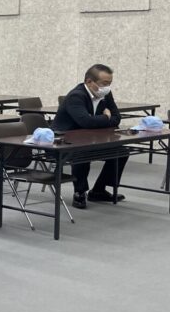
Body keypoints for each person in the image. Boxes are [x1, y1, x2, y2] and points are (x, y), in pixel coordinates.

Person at [52, 64, 127, 210]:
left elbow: (117, 118)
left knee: (121, 152)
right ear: (89, 81)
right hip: (62, 142)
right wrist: (105, 117)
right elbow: (85, 122)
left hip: (90, 137)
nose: (107, 87)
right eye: (104, 83)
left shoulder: (105, 94)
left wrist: (100, 120)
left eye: (109, 83)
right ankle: (79, 192)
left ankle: (99, 190)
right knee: (82, 152)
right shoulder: (76, 96)